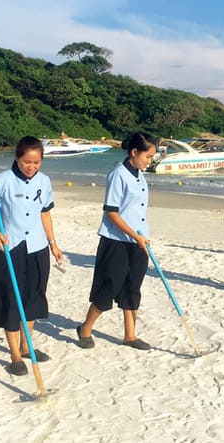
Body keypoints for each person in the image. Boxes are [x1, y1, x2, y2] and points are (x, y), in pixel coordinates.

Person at [0, 136, 65, 375]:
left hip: (37, 247)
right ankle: (15, 354)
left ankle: (27, 346)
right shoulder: (1, 181)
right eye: (27, 161)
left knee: (33, 297)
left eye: (37, 163)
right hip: (9, 247)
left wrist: (53, 244)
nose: (31, 167)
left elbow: (45, 214)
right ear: (17, 157)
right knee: (10, 299)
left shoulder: (44, 182)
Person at [76, 132, 158, 350]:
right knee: (109, 287)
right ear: (134, 152)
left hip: (139, 239)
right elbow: (111, 212)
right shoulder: (118, 175)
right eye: (148, 157)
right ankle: (85, 327)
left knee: (133, 287)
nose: (150, 161)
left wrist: (143, 237)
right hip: (116, 240)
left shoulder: (140, 176)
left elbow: (137, 211)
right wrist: (134, 236)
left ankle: (130, 335)